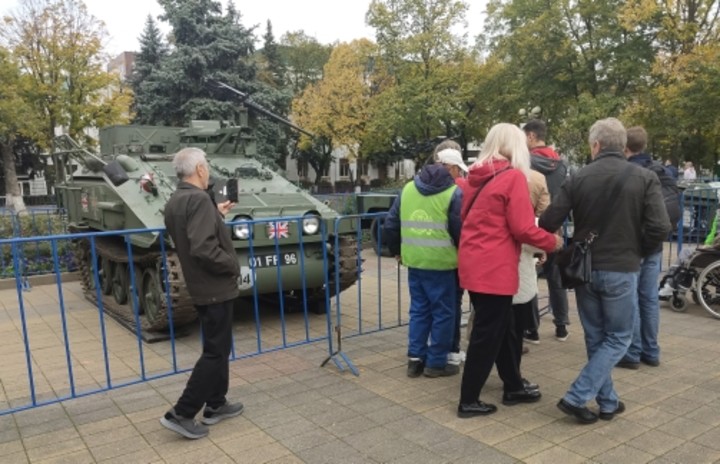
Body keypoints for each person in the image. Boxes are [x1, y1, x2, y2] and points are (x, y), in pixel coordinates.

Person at [539, 118, 671, 424]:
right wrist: (638, 249)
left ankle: (608, 401)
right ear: (622, 146)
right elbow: (660, 227)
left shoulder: (578, 177)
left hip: (585, 269)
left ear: (595, 145)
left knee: (597, 337)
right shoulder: (643, 177)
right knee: (620, 337)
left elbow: (548, 222)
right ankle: (577, 395)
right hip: (622, 268)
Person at [457, 123, 563, 418]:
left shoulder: (475, 177)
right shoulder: (513, 177)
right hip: (495, 267)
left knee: (502, 329)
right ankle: (469, 400)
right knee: (488, 335)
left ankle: (513, 385)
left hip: (474, 263)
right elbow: (522, 228)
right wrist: (552, 242)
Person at [160, 148, 244, 439]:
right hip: (214, 287)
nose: (207, 170)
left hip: (202, 286)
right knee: (215, 352)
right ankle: (182, 412)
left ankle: (216, 404)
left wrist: (216, 215)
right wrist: (233, 265)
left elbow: (192, 235)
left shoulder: (177, 200)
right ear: (198, 169)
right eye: (205, 165)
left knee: (219, 347)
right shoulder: (198, 199)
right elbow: (203, 247)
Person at [384, 158, 463, 378]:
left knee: (419, 310)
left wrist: (397, 251)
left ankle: (415, 359)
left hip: (414, 261)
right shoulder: (454, 194)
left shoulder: (408, 189)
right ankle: (436, 363)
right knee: (443, 313)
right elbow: (460, 231)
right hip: (443, 263)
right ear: (451, 173)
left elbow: (390, 224)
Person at [618, 127, 674, 369]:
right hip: (655, 244)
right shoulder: (661, 171)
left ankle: (633, 352)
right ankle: (651, 351)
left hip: (633, 243)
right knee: (649, 298)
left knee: (631, 298)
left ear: (624, 147)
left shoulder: (630, 173)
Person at [523, 119, 571, 343]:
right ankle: (561, 325)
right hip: (555, 224)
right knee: (555, 277)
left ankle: (531, 328)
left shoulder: (526, 163)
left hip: (532, 224)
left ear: (531, 136)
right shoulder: (561, 164)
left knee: (530, 275)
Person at [511, 168, 550, 367]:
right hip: (518, 276)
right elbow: (542, 215)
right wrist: (550, 243)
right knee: (514, 327)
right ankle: (512, 381)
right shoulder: (535, 178)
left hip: (491, 274)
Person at [437, 146, 469, 367]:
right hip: (455, 256)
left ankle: (428, 350)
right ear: (454, 168)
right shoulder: (460, 188)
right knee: (453, 305)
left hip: (427, 258)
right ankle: (452, 349)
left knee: (430, 306)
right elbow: (460, 226)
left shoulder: (420, 187)